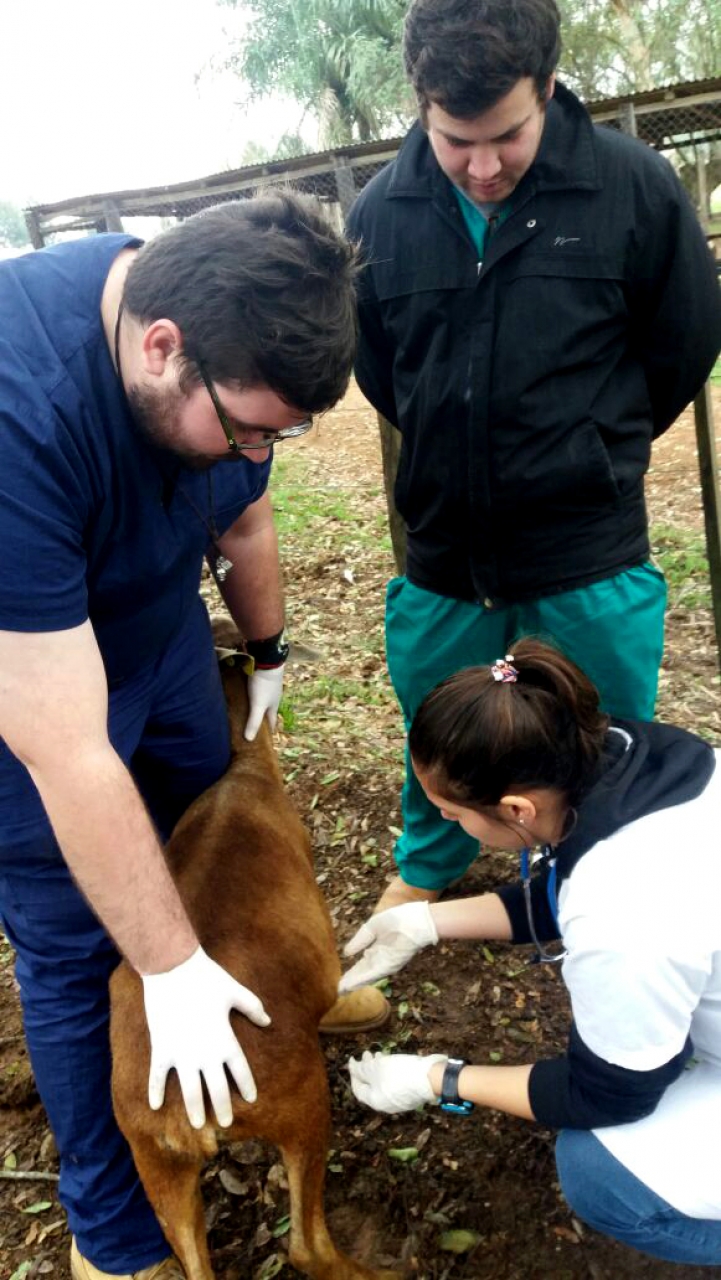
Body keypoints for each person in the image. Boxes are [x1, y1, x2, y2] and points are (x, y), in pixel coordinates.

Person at [0, 191, 387, 1280]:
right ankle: (114, 1236)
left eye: (284, 431)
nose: (262, 449)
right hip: (25, 676)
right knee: (80, 942)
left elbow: (245, 516)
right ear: (161, 348)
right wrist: (166, 967)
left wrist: (265, 650)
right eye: (253, 426)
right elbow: (66, 746)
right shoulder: (19, 411)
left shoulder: (223, 358)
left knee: (205, 818)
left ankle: (277, 1001)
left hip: (158, 623)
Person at [345, 0, 721, 913]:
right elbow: (383, 372)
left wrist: (594, 445)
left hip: (583, 545)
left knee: (600, 733)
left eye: (505, 137)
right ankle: (427, 868)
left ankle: (605, 879)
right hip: (442, 548)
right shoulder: (379, 214)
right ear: (421, 105)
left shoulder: (630, 186)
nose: (481, 167)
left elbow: (679, 342)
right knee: (436, 720)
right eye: (453, 140)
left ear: (547, 87)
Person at [341, 640, 721, 1265]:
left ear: (516, 809)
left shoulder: (622, 909)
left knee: (598, 1173)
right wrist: (427, 923)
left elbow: (610, 1095)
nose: (449, 823)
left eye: (450, 814)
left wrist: (440, 1078)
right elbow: (565, 884)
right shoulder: (623, 754)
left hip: (647, 965)